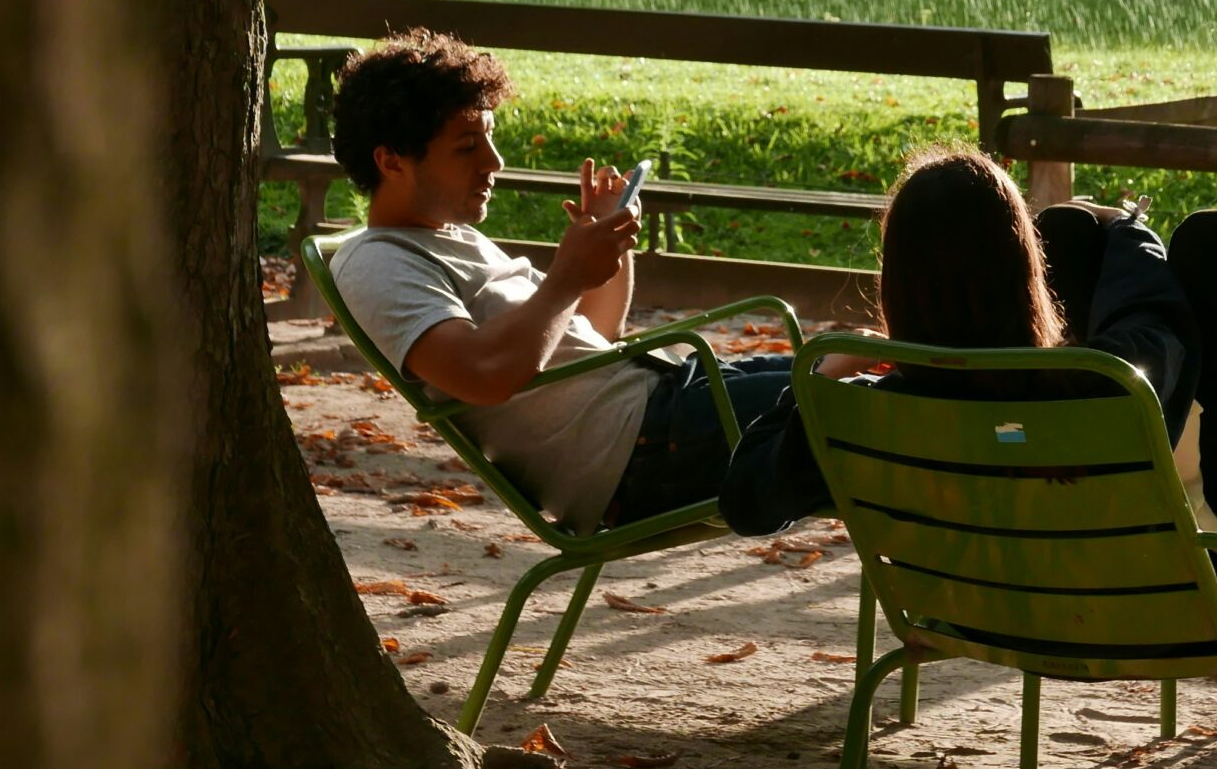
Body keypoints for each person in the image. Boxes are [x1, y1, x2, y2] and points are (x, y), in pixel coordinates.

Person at [722, 147, 1217, 627]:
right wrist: (1125, 224)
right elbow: (1157, 321)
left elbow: (747, 500)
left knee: (1070, 230)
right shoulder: (1099, 383)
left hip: (979, 609)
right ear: (1023, 270)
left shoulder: (870, 406)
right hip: (1182, 606)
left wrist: (814, 378)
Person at [326, 32, 839, 530]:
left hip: (673, 402)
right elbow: (481, 375)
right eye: (467, 147)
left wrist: (605, 244)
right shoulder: (376, 263)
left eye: (490, 138)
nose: (495, 162)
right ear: (392, 160)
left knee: (875, 369)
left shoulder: (451, 237)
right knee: (871, 399)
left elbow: (595, 331)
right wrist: (567, 278)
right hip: (645, 449)